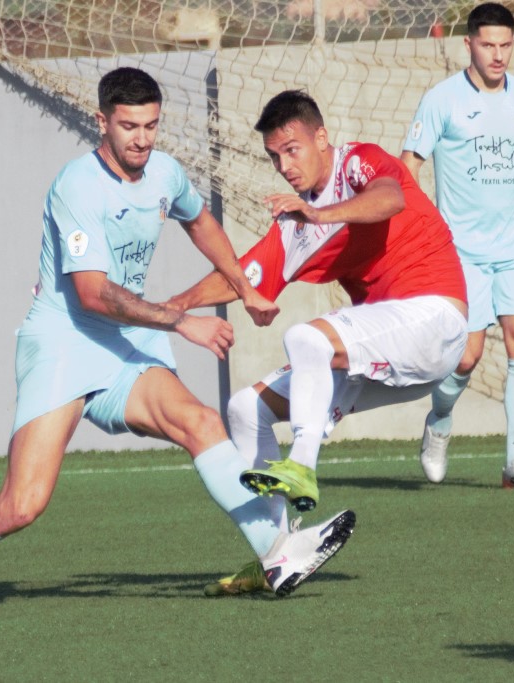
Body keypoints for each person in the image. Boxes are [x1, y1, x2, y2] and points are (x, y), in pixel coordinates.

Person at [0, 68, 356, 613]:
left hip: (123, 342)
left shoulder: (165, 172)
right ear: (102, 122)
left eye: (151, 125)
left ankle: (276, 554)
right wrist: (180, 321)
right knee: (21, 505)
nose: (142, 138)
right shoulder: (77, 187)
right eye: (128, 126)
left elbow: (200, 222)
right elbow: (93, 293)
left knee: (200, 423)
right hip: (64, 342)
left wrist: (244, 287)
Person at [166, 89, 469, 595]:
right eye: (274, 156)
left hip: (435, 319)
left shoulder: (358, 162)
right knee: (244, 408)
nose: (284, 166)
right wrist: (171, 307)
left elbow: (391, 197)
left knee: (307, 337)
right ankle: (277, 554)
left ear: (321, 138)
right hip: (387, 352)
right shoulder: (297, 224)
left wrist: (322, 215)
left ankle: (303, 466)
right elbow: (243, 276)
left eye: (292, 150)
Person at [400, 2, 514, 489]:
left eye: (505, 45)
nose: (498, 55)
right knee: (466, 356)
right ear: (469, 44)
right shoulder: (442, 100)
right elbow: (408, 169)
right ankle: (439, 422)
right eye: (488, 45)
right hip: (460, 252)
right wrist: (417, 233)